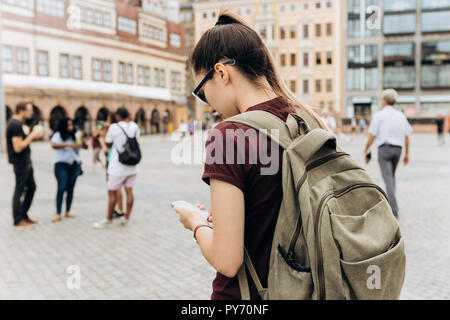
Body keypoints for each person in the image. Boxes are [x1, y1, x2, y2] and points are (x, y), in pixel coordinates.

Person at [172, 11, 326, 300]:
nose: (208, 106)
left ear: (221, 72)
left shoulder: (229, 136)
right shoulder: (305, 120)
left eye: (202, 93)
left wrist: (196, 222)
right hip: (308, 289)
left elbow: (228, 261)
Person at [364, 89, 412, 218]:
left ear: (384, 100)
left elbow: (372, 135)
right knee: (391, 177)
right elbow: (407, 136)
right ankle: (393, 204)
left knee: (388, 179)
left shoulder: (379, 115)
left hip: (384, 149)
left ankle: (394, 210)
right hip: (398, 150)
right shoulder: (401, 116)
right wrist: (407, 154)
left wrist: (366, 149)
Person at [93, 107, 140, 228]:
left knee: (112, 193)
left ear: (118, 116)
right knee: (129, 191)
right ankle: (126, 217)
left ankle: (108, 219)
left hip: (118, 167)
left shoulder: (115, 127)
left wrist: (108, 131)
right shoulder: (134, 126)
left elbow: (108, 143)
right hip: (132, 165)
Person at [6, 102, 43, 227]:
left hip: (26, 161)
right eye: (29, 110)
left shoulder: (19, 124)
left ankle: (23, 214)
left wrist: (33, 135)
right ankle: (18, 219)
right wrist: (32, 136)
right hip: (20, 162)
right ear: (21, 110)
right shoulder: (15, 124)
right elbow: (18, 147)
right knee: (20, 189)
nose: (31, 113)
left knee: (31, 187)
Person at [50, 117, 84, 222]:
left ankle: (67, 211)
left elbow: (84, 146)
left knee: (70, 188)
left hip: (74, 165)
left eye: (72, 125)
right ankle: (58, 212)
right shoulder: (58, 135)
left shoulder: (76, 134)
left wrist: (82, 139)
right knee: (61, 187)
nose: (70, 127)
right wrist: (68, 144)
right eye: (68, 125)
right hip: (61, 165)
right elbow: (53, 145)